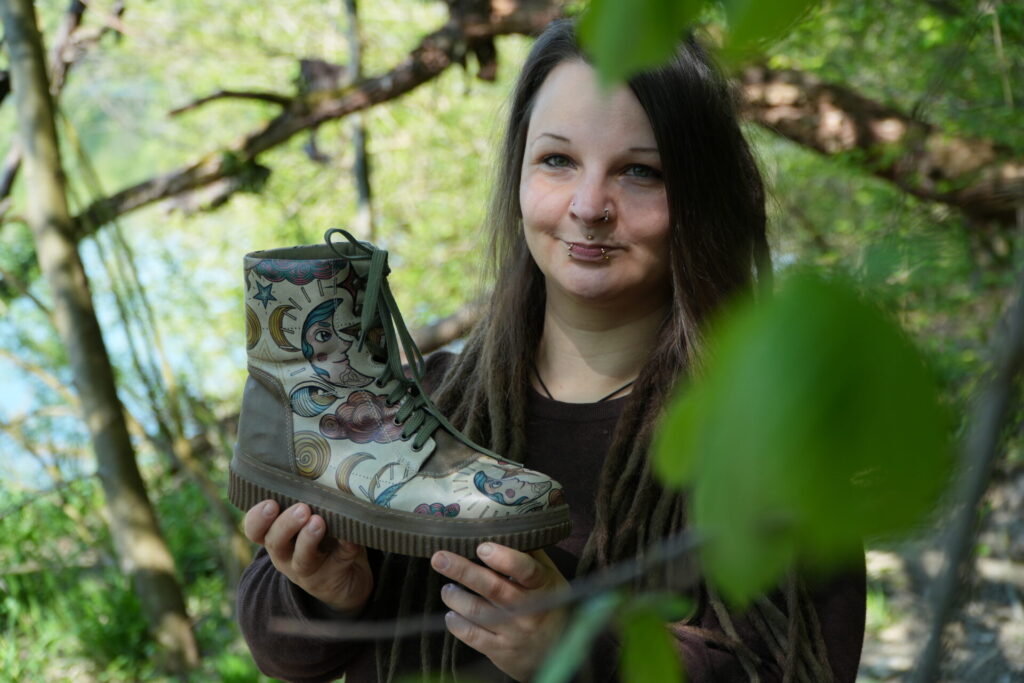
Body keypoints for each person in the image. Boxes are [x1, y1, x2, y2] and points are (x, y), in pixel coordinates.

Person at [235, 18, 866, 682]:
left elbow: (799, 665)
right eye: (558, 160)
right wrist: (326, 588)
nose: (590, 205)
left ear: (699, 197)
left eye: (641, 172)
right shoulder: (414, 412)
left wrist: (577, 648)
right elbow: (281, 647)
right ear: (519, 175)